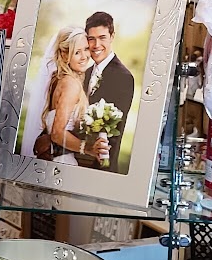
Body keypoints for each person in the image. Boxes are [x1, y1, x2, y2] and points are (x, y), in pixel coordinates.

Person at [34, 29, 108, 162]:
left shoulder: (58, 78)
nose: (84, 56)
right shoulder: (71, 84)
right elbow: (57, 134)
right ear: (64, 55)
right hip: (62, 159)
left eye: (86, 49)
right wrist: (88, 149)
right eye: (77, 52)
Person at [80, 11, 136, 171]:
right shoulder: (85, 73)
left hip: (101, 165)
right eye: (91, 39)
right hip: (79, 159)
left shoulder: (123, 77)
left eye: (102, 37)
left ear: (112, 36)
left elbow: (114, 131)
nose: (96, 45)